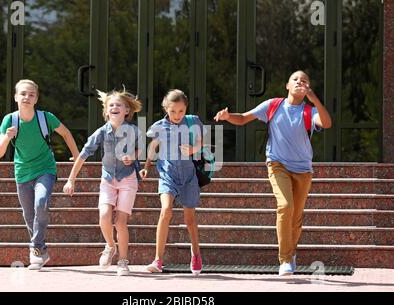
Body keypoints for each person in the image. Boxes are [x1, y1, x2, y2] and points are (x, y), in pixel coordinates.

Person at [214, 70, 332, 276]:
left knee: (296, 217)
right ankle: (285, 259)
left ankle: (291, 252)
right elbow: (243, 118)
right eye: (295, 79)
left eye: (304, 80)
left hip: (303, 169)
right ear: (287, 85)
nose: (300, 82)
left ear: (308, 89)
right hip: (277, 164)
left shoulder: (309, 111)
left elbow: (327, 123)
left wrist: (314, 99)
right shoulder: (273, 105)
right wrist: (227, 116)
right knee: (285, 206)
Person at [0, 79, 79, 270]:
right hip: (23, 172)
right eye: (23, 93)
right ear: (16, 97)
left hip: (45, 169)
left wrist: (76, 157)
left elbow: (66, 134)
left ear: (36, 99)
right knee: (29, 213)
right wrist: (7, 137)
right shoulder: (10, 120)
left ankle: (35, 249)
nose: (27, 97)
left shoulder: (45, 118)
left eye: (31, 94)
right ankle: (41, 249)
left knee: (41, 203)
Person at [63, 89, 142, 276]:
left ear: (127, 111)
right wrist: (71, 179)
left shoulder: (134, 131)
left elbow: (143, 149)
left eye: (119, 105)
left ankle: (123, 261)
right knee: (104, 215)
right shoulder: (101, 132)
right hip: (107, 179)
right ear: (106, 111)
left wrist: (133, 156)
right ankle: (109, 245)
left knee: (121, 222)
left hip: (128, 179)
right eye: (111, 105)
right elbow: (83, 155)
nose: (114, 107)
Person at [140, 89, 204, 276]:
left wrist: (193, 149)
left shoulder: (193, 122)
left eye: (181, 111)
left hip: (188, 177)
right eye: (173, 111)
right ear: (166, 108)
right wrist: (146, 167)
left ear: (186, 109)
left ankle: (196, 254)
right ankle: (158, 260)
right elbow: (153, 148)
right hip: (168, 175)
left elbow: (202, 143)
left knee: (189, 220)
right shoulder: (159, 127)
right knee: (165, 210)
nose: (177, 115)